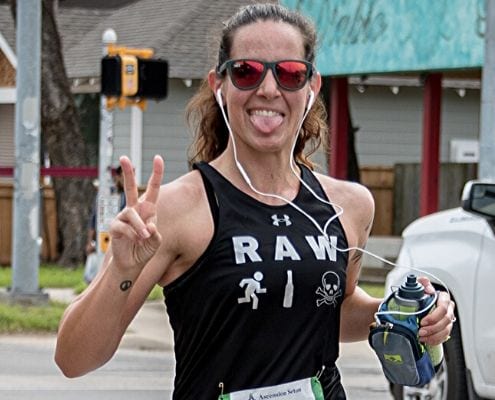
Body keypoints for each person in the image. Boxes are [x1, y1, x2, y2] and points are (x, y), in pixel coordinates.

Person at [55, 4, 456, 399]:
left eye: (289, 73)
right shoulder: (178, 209)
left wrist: (405, 315)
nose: (268, 89)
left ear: (311, 86)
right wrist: (119, 272)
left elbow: (331, 311)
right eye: (246, 72)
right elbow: (73, 360)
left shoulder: (349, 205)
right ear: (219, 85)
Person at [83, 166, 125, 284]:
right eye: (124, 176)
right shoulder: (106, 194)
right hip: (105, 238)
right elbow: (94, 219)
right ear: (117, 177)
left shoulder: (127, 197)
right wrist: (90, 242)